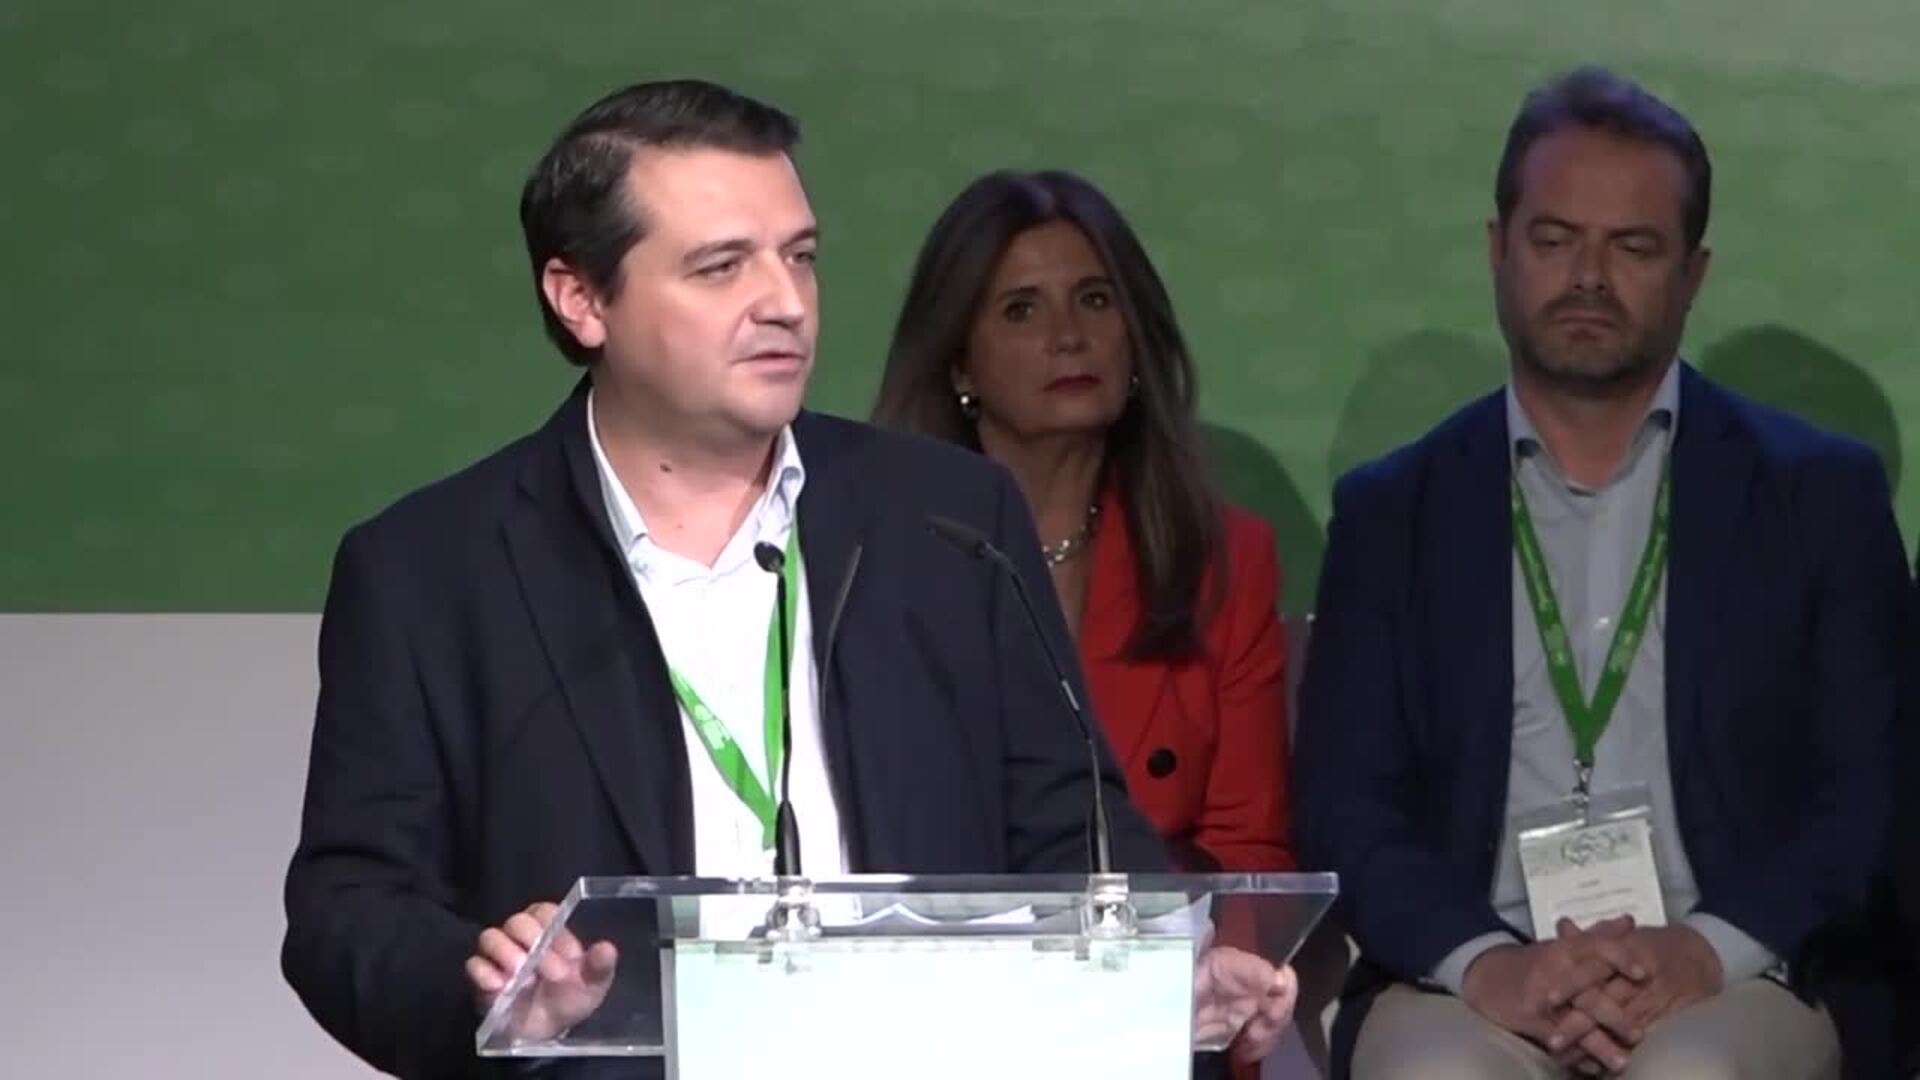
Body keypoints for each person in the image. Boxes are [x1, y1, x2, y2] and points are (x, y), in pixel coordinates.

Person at [280, 79, 1295, 1079]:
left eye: (799, 257)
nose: (784, 303)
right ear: (581, 299)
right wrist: (492, 989)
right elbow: (348, 911)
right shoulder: (432, 571)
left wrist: (1170, 965)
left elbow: (1075, 831)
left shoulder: (948, 520)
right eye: (722, 266)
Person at [1294, 67, 1907, 1079]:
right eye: (1554, 239)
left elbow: (1867, 799)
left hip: (1734, 971)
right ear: (1497, 249)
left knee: (1692, 1074)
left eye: (1633, 246)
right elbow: (1345, 808)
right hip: (1471, 980)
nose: (1588, 276)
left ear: (1693, 272)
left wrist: (1704, 950)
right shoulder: (1391, 511)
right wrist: (1487, 964)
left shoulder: (1819, 496)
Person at [871, 168, 1293, 875]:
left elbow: (1249, 854)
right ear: (959, 366)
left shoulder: (1224, 561)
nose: (1069, 337)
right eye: (1020, 310)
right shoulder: (874, 561)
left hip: (1155, 935)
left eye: (1095, 300)